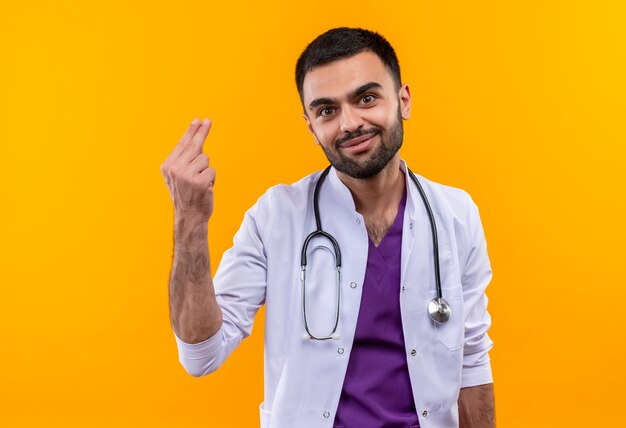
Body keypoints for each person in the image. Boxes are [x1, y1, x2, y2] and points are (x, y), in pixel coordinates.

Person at [160, 27, 495, 428]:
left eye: (366, 98)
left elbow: (472, 362)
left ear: (403, 100)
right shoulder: (276, 217)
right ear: (310, 126)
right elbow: (201, 355)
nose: (350, 124)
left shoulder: (456, 214)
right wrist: (190, 225)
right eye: (326, 111)